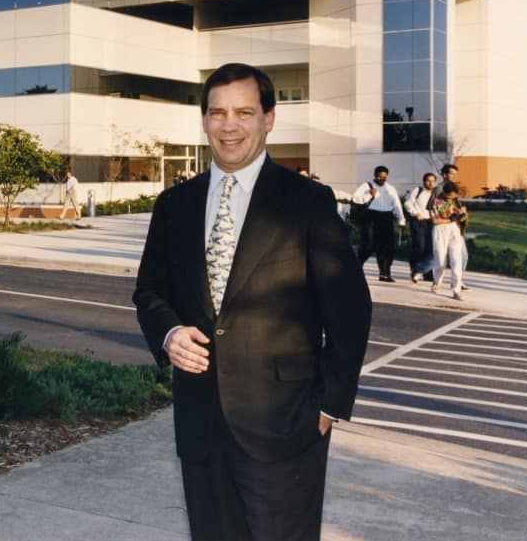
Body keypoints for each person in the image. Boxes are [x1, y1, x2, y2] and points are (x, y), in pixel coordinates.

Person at [132, 62, 372, 541]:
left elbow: (350, 310)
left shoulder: (307, 201)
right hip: (201, 425)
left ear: (269, 119)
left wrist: (330, 405)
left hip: (287, 423)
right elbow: (149, 291)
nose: (229, 125)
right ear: (203, 121)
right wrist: (169, 333)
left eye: (244, 111)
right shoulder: (175, 206)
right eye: (217, 112)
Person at [352, 166, 406, 282]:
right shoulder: (366, 186)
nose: (382, 179)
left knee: (386, 247)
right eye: (379, 177)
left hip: (386, 217)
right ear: (375, 175)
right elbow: (356, 199)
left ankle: (384, 273)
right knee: (368, 245)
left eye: (384, 177)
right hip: (371, 217)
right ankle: (355, 268)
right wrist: (370, 195)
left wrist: (401, 220)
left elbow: (396, 204)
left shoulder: (390, 188)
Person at [430, 181, 469, 300]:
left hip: (454, 230)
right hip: (440, 229)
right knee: (440, 261)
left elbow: (462, 217)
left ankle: (456, 289)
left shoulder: (457, 202)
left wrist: (463, 215)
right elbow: (434, 221)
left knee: (457, 260)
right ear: (444, 193)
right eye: (448, 196)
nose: (450, 198)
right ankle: (437, 281)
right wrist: (450, 220)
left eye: (453, 196)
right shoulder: (436, 202)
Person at [406, 172, 437, 284]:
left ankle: (427, 273)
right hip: (418, 221)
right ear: (424, 181)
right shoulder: (418, 190)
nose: (430, 183)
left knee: (430, 247)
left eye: (433, 181)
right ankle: (415, 268)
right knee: (419, 246)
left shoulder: (436, 193)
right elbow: (408, 203)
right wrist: (415, 213)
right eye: (428, 180)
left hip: (431, 222)